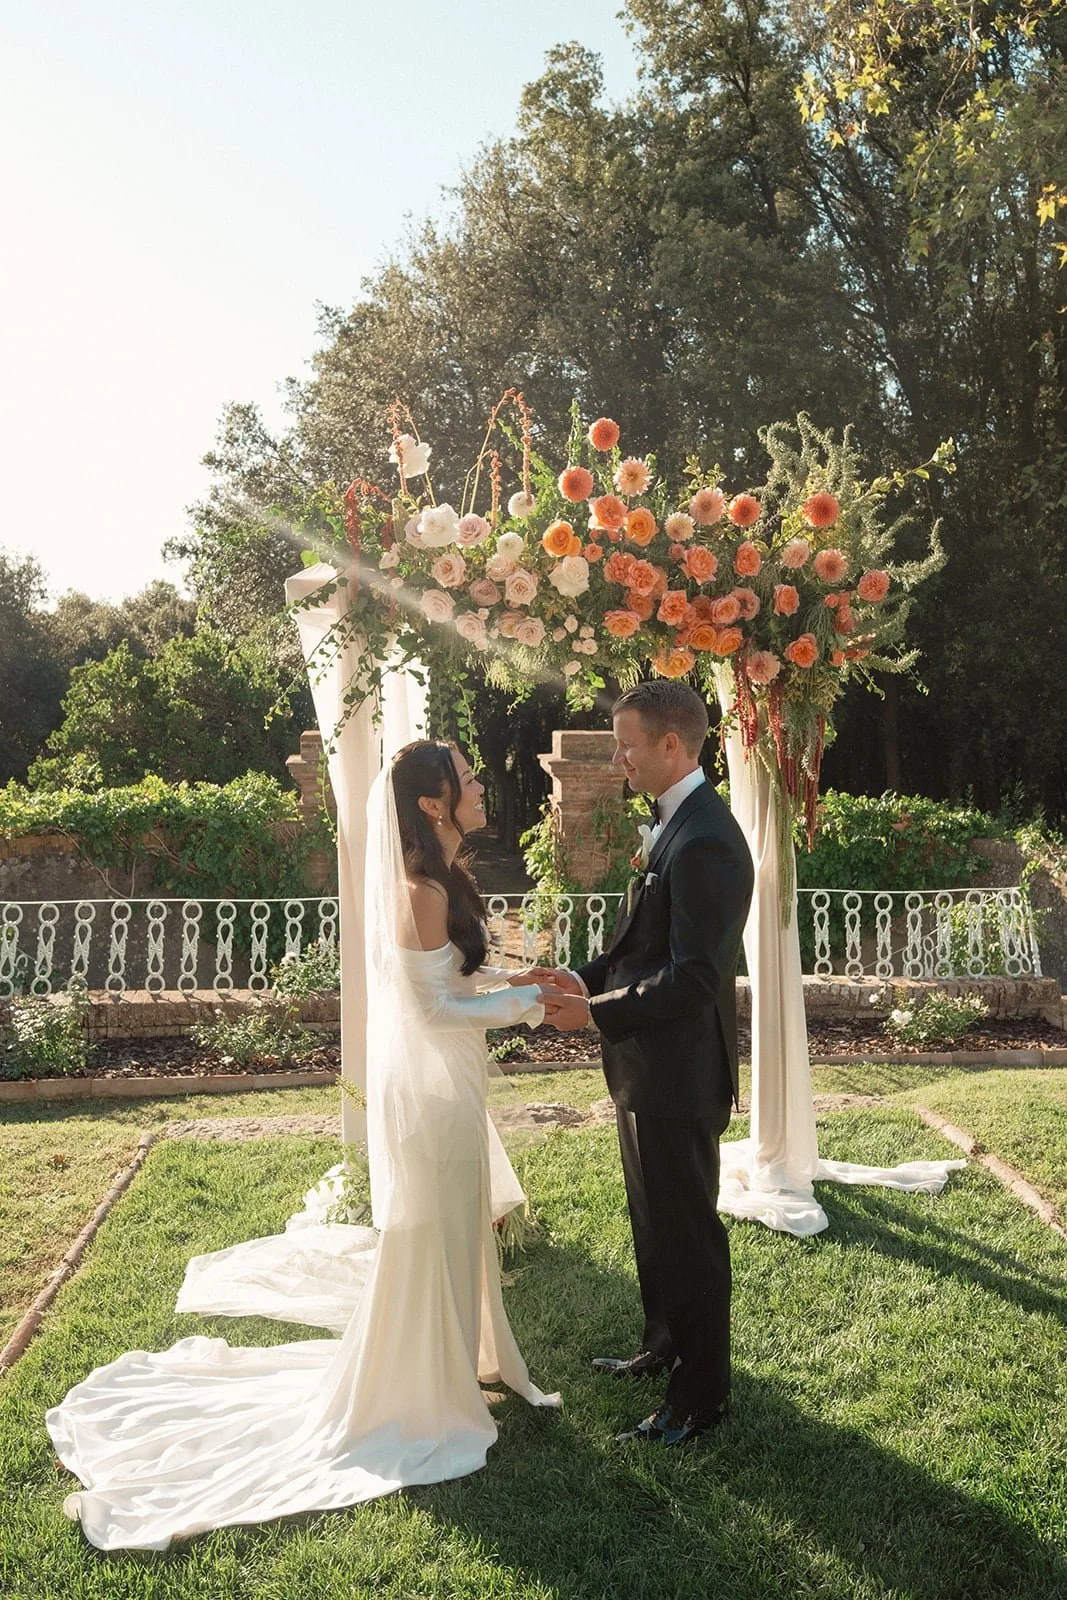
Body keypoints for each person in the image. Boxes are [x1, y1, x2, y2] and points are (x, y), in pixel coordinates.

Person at [46, 739, 561, 1551]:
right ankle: (419, 1385)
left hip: (452, 1082)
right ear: (431, 803)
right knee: (428, 1230)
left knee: (455, 1225)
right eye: (465, 778)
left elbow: (454, 987)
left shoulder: (449, 878)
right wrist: (528, 1002)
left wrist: (519, 986)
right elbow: (429, 1013)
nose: (478, 784)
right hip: (430, 1091)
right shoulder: (418, 889)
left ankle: (456, 1361)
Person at [538, 681, 753, 1447]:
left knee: (688, 1234)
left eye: (628, 744)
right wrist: (582, 980)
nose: (619, 757)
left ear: (673, 744)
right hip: (645, 1068)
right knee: (652, 1223)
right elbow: (642, 946)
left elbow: (695, 977)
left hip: (682, 1075)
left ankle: (700, 1396)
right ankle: (664, 1345)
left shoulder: (707, 841)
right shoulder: (671, 826)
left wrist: (593, 1014)